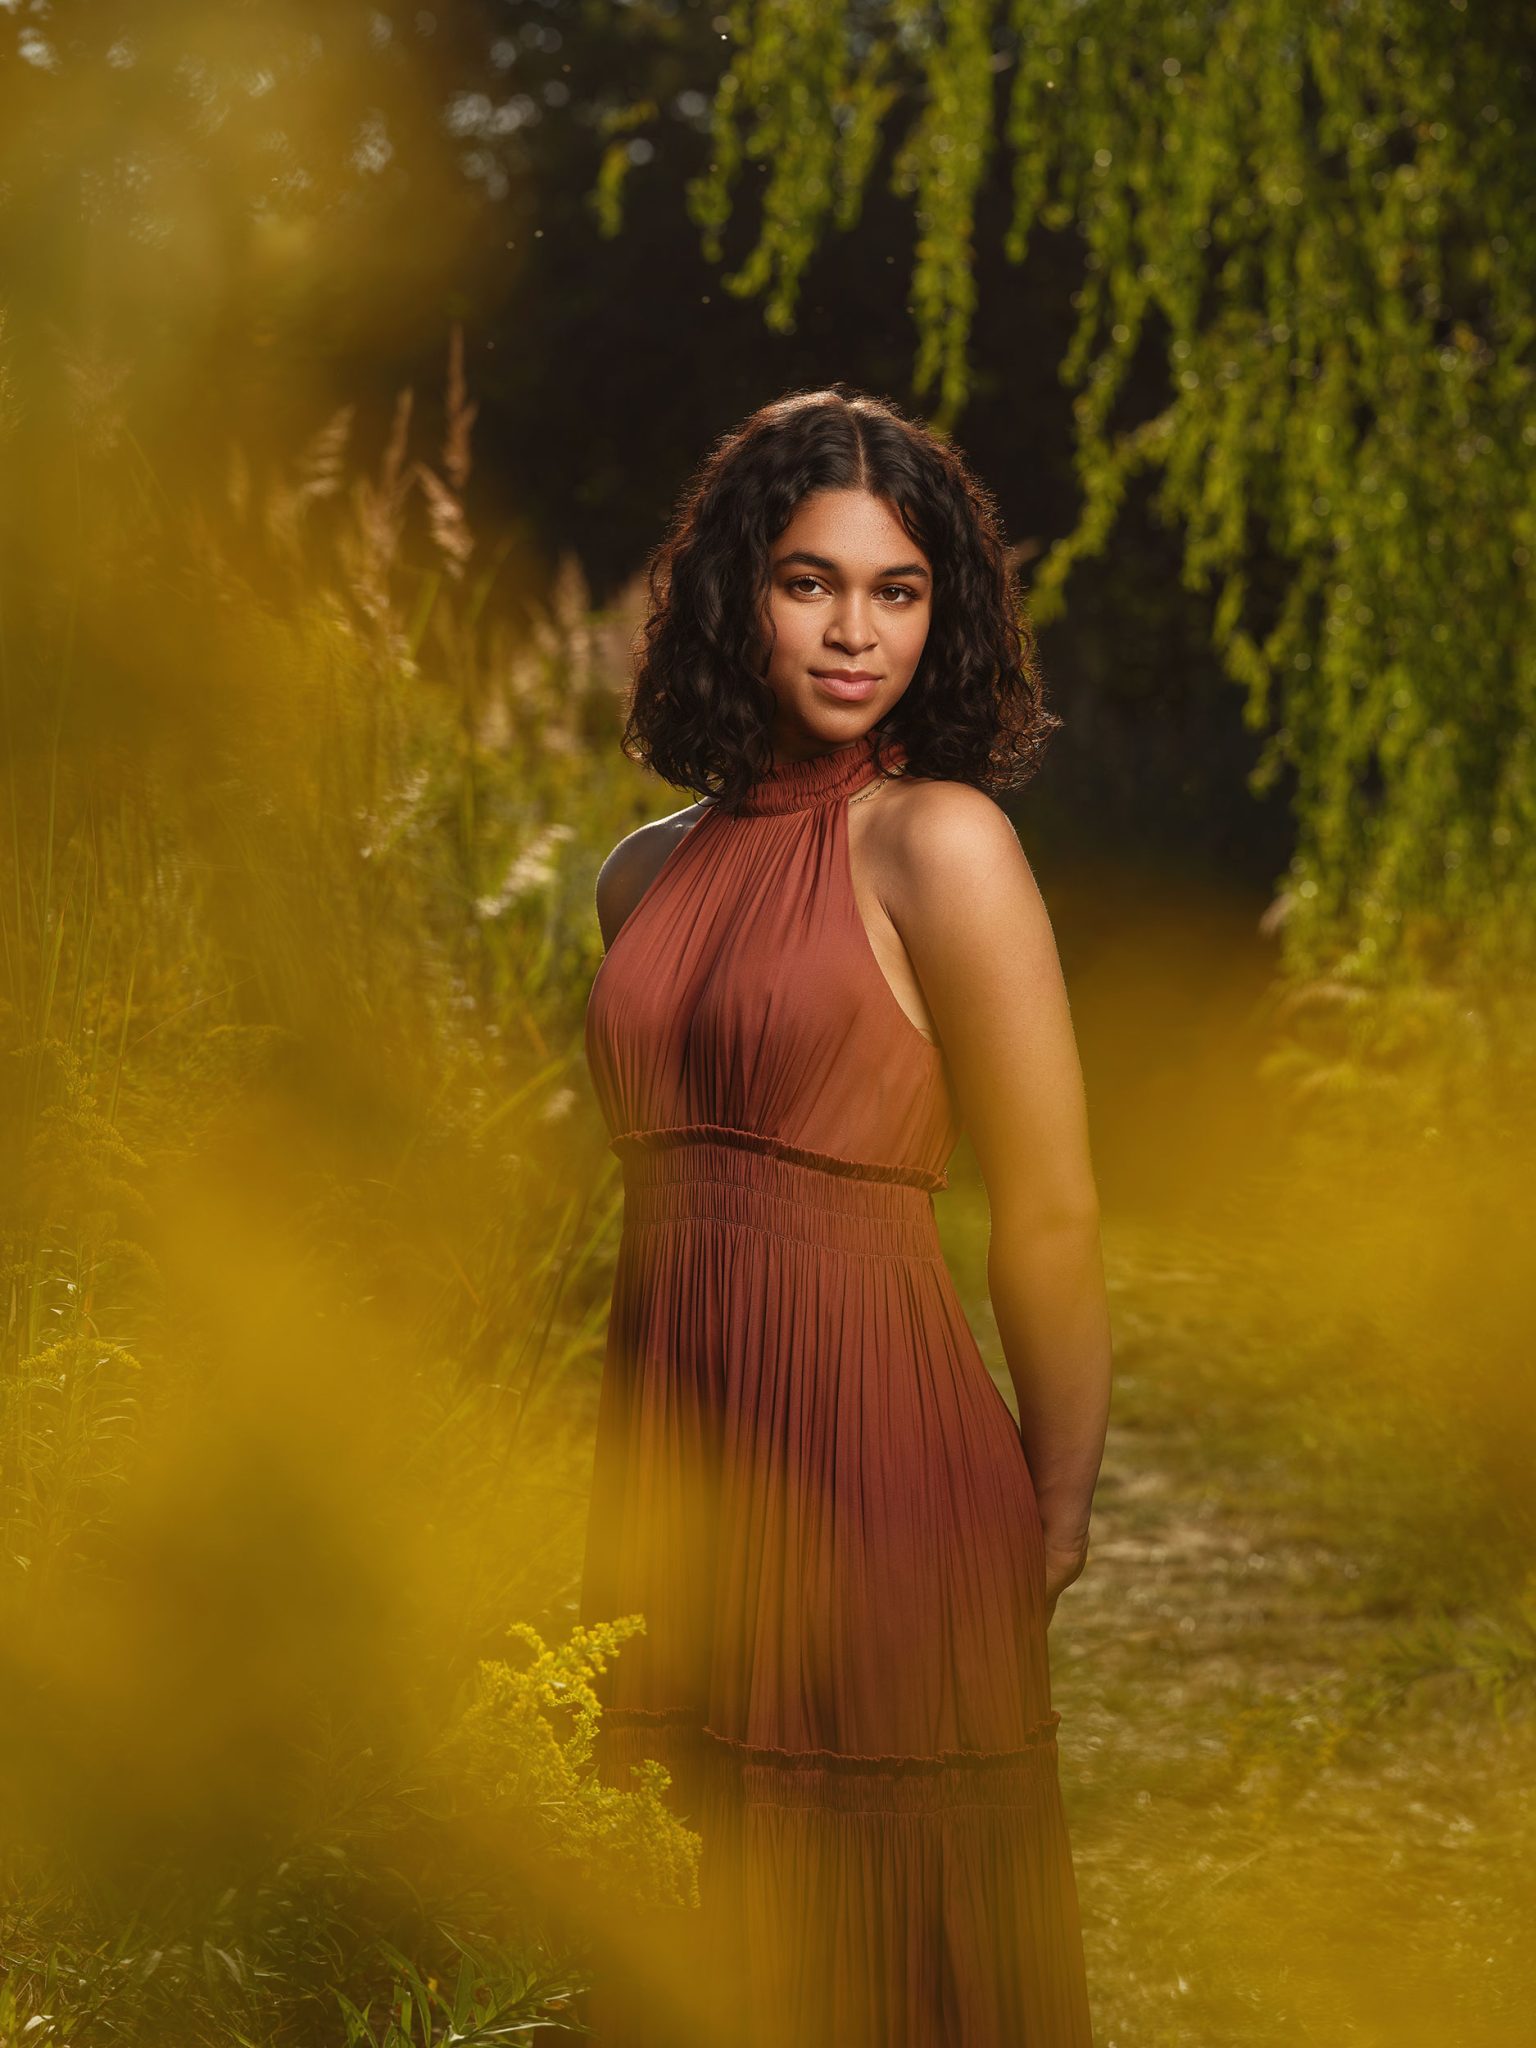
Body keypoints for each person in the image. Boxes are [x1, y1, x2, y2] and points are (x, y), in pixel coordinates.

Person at [579, 382, 1112, 2048]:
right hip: (677, 1459)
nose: (853, 632)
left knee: (879, 1967)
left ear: (941, 612)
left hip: (880, 1463)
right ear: (739, 588)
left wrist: (1060, 1505)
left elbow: (1051, 1210)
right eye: (812, 581)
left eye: (899, 590)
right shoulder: (640, 873)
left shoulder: (939, 845)